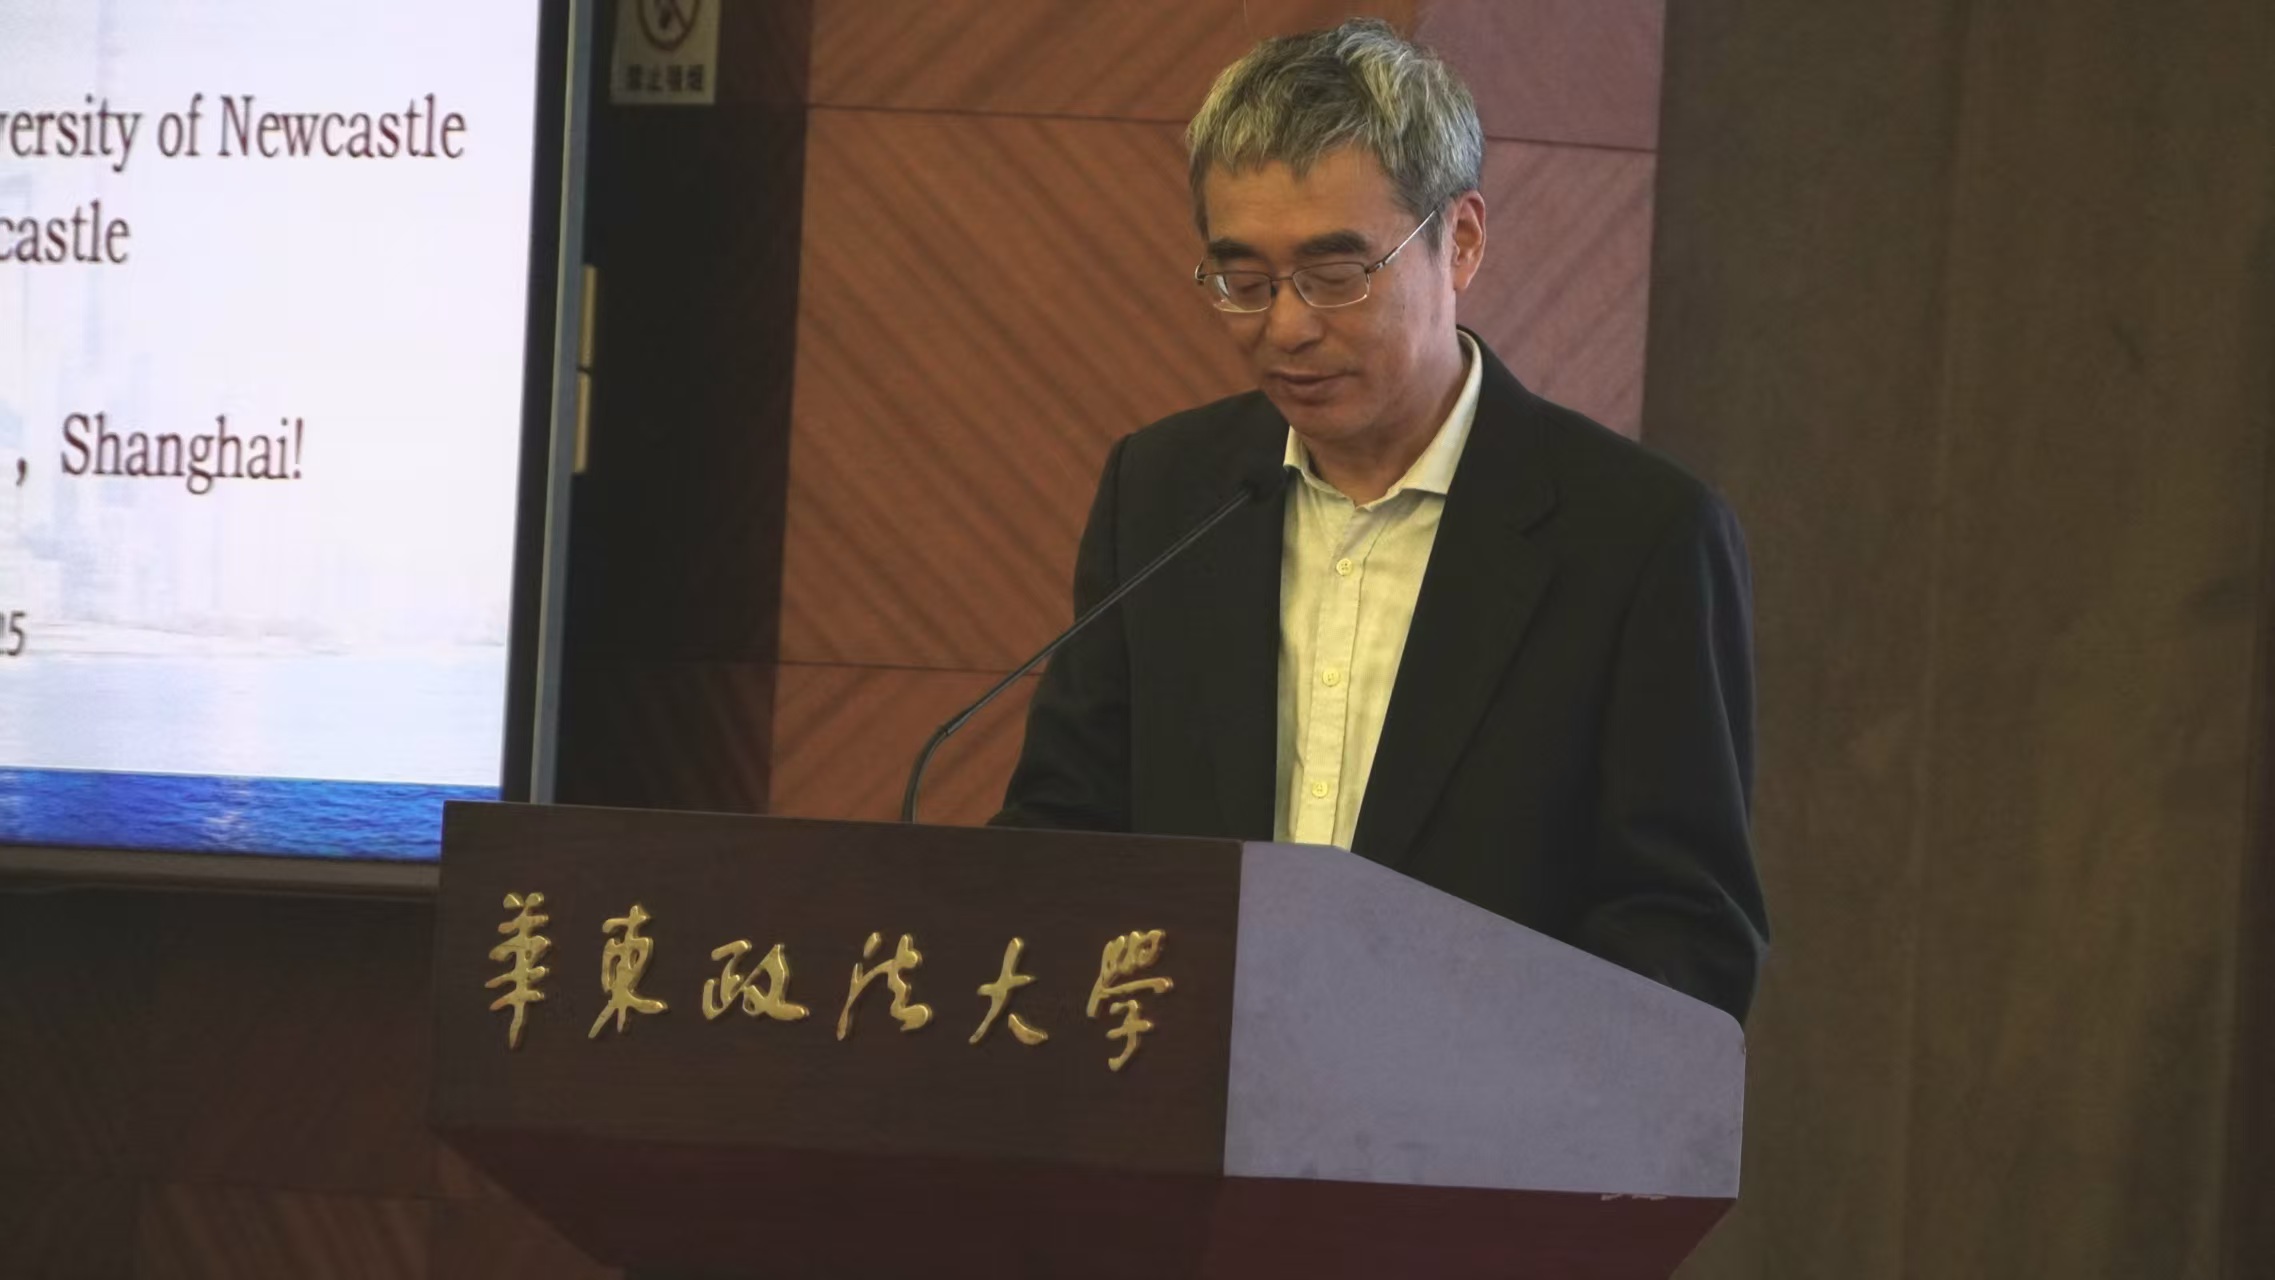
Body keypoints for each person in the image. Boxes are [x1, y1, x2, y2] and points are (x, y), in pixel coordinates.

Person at [994, 19, 1768, 1022]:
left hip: (1476, 1108)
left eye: (1335, 275)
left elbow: (1683, 930)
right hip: (1178, 1090)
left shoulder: (1638, 535)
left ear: (1462, 240)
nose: (1286, 327)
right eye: (1243, 281)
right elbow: (1063, 831)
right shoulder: (1164, 491)